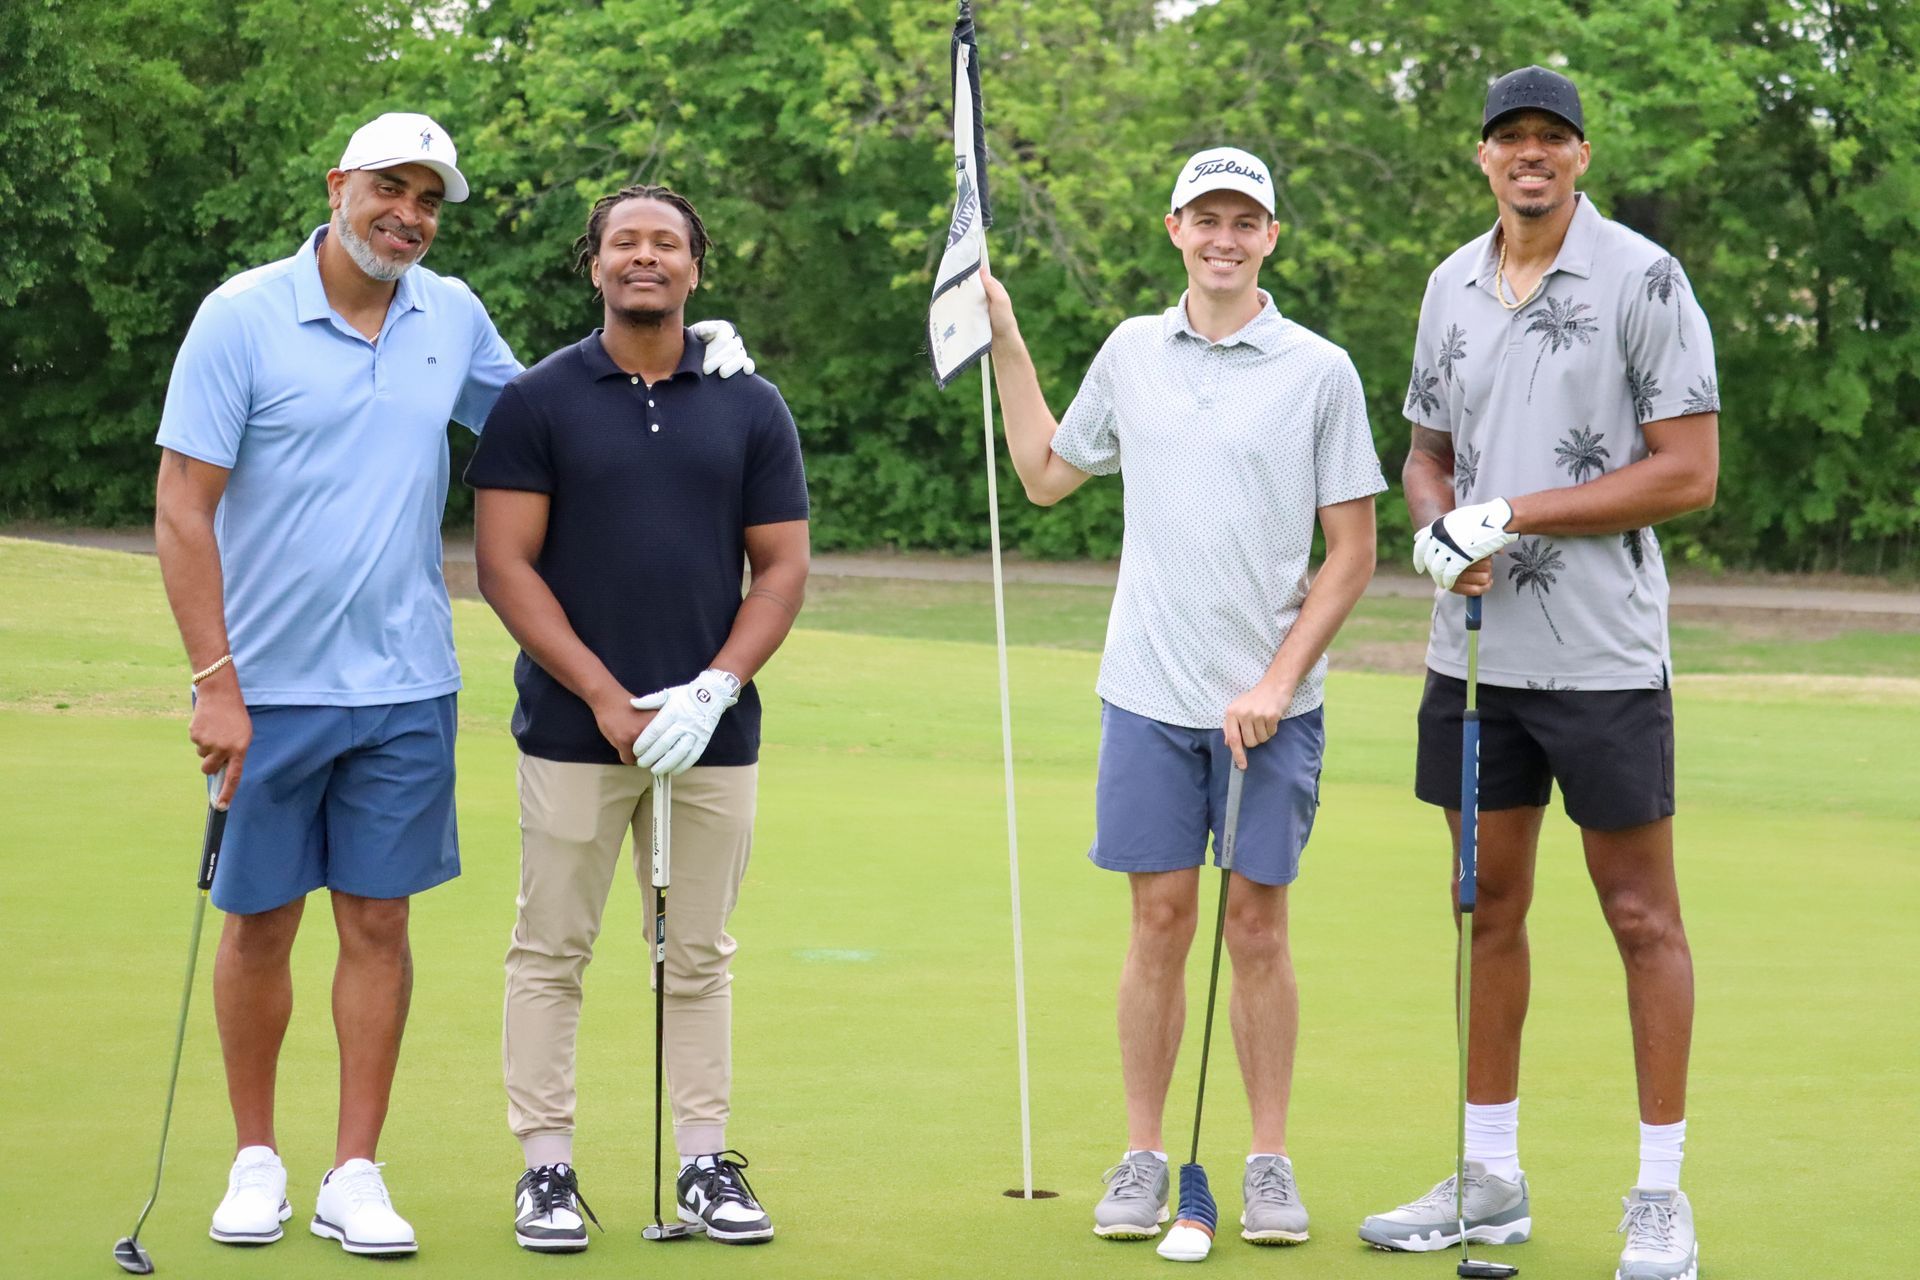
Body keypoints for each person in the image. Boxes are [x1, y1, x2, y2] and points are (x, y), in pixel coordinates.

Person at [152, 114, 752, 1258]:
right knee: (262, 922)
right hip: (268, 687)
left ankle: (354, 1170)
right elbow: (184, 503)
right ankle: (256, 1160)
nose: (409, 215)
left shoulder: (451, 314)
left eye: (428, 199)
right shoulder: (241, 316)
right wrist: (214, 679)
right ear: (338, 185)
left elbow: (565, 421)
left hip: (408, 685)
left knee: (379, 923)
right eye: (391, 188)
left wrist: (690, 356)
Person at [979, 147, 1386, 1248]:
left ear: (1270, 237)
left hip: (1272, 708)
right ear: (1175, 229)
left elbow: (1352, 551)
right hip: (1148, 693)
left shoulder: (1319, 369)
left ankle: (1266, 1162)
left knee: (1257, 926)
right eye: (1207, 217)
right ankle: (1143, 1152)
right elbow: (1046, 472)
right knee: (1158, 921)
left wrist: (1275, 678)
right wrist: (1006, 337)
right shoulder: (1130, 353)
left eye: (1245, 220)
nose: (1225, 236)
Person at [1358, 67, 1718, 1280]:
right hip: (1472, 661)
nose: (1529, 155)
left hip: (1606, 658)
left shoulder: (1644, 279)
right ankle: (1490, 1176)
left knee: (1638, 915)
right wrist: (1434, 524)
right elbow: (1426, 451)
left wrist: (1509, 512)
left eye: (1549, 139)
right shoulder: (1449, 284)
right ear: (1483, 158)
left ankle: (1659, 1197)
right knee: (1485, 905)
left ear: (1581, 155)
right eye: (1509, 138)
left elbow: (1687, 473)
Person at [465, 182, 809, 1252]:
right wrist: (608, 697)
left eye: (666, 242)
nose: (645, 256)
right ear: (596, 264)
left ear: (695, 269)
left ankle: (704, 1161)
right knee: (550, 948)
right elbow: (503, 565)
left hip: (714, 737)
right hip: (574, 733)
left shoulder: (750, 402)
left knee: (696, 954)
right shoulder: (540, 398)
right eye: (626, 242)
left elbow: (783, 566)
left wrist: (713, 688)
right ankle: (547, 1168)